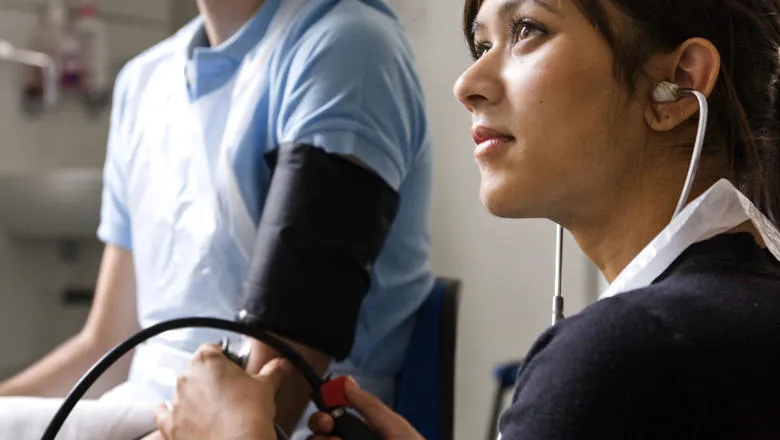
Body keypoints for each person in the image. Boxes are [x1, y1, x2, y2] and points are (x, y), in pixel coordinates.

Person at [150, 0, 780, 438]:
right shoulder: (733, 313)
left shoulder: (627, 357)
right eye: (481, 42)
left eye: (527, 29)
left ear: (677, 82)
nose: (469, 82)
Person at [0, 0, 433, 438]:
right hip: (148, 412)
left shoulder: (346, 49)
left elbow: (276, 393)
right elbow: (110, 342)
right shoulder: (143, 82)